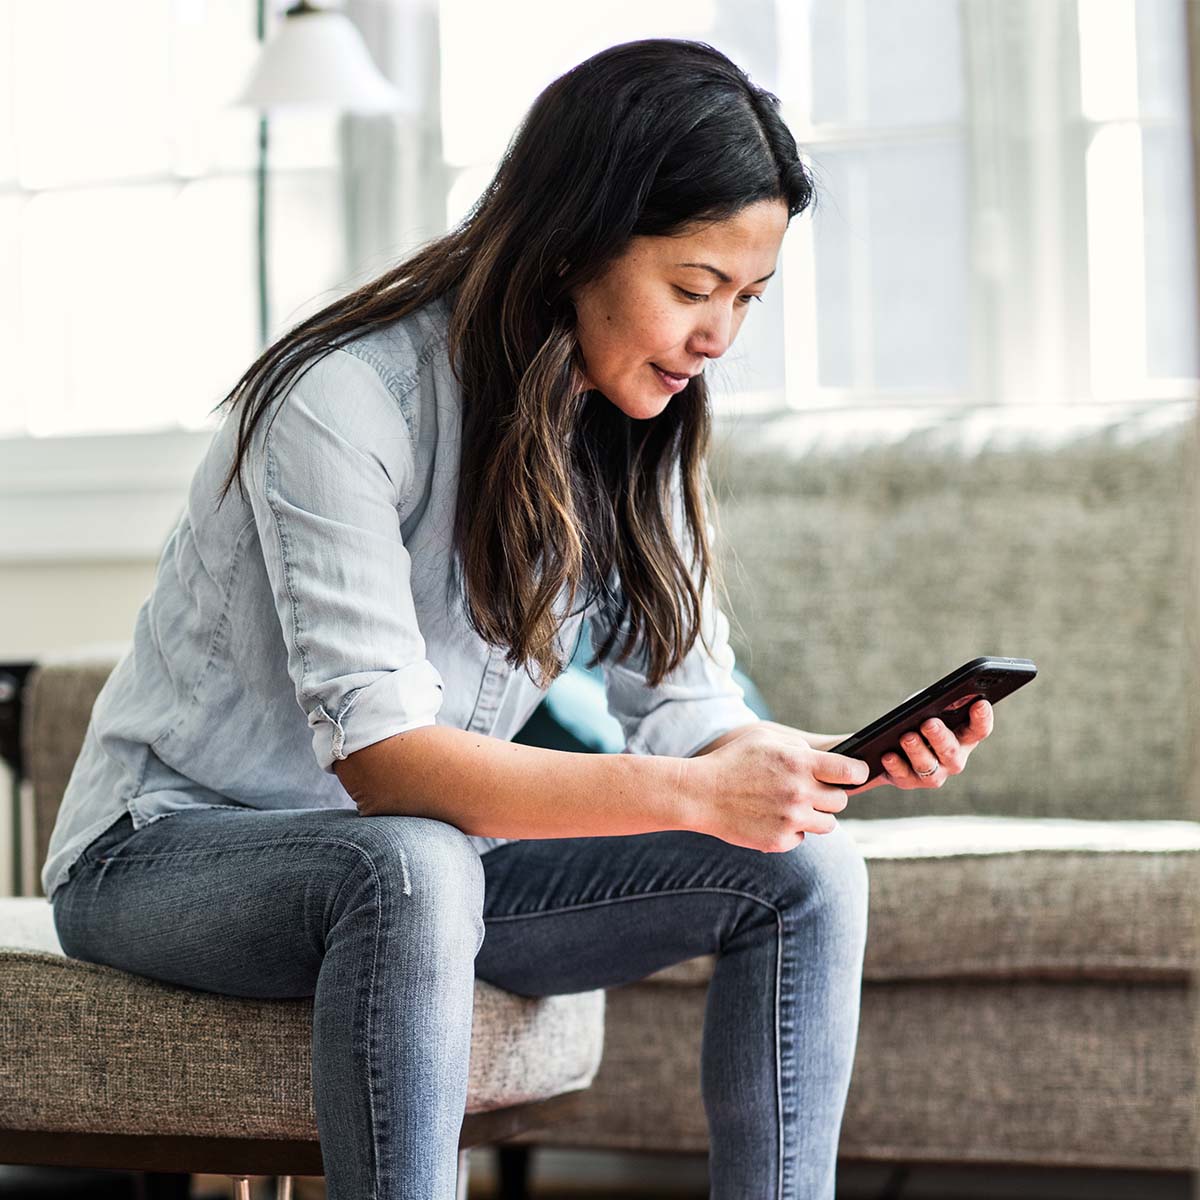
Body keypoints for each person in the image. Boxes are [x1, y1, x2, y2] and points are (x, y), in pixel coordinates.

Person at [44, 37, 995, 1200]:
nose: (718, 338)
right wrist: (696, 793)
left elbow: (687, 707)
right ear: (571, 246)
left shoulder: (638, 426)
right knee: (410, 864)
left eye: (746, 298)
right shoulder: (342, 399)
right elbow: (388, 767)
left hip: (433, 870)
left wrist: (801, 769)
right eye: (694, 289)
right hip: (164, 854)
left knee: (809, 872)